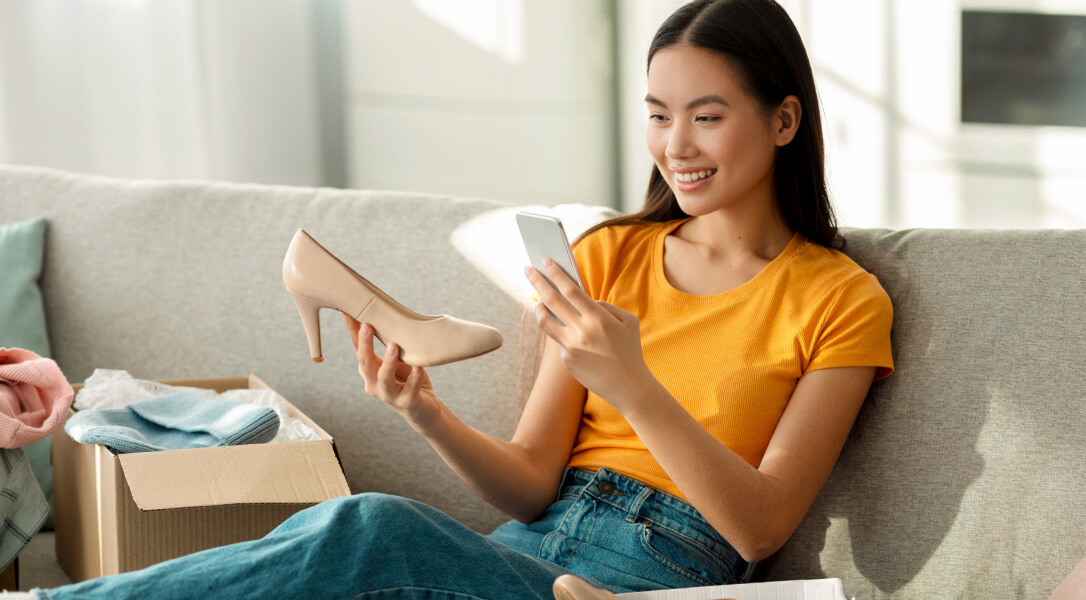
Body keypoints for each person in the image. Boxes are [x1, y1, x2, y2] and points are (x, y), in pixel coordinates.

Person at [18, 0, 892, 598]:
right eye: (659, 114)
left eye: (707, 115)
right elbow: (528, 483)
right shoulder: (609, 256)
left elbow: (759, 530)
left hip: (650, 572)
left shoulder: (840, 299)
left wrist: (632, 385)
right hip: (521, 554)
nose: (675, 144)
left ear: (784, 121)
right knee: (351, 543)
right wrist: (425, 412)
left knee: (364, 529)